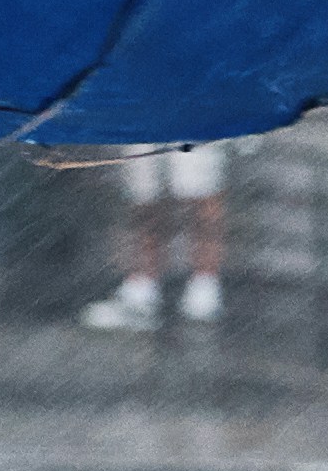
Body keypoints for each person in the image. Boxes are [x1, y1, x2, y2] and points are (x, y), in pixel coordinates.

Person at [77, 141, 231, 331]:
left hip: (195, 116)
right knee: (144, 194)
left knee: (201, 191)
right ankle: (143, 290)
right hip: (142, 116)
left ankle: (205, 287)